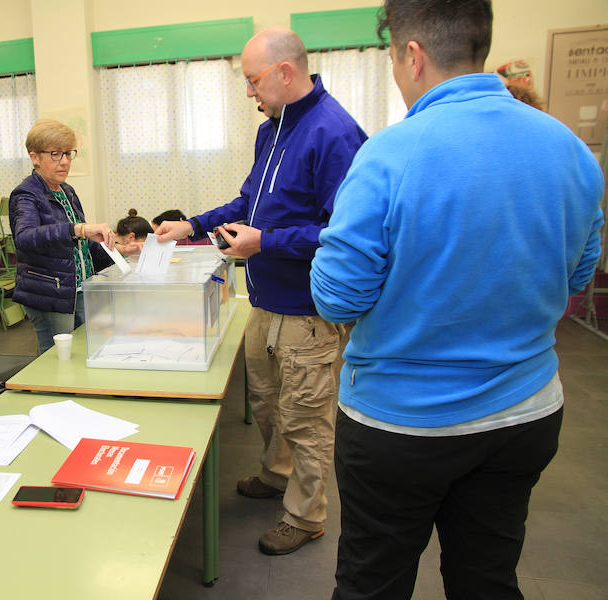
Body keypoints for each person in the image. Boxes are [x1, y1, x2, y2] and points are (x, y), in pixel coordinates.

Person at [308, 1, 604, 598]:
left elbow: (337, 298)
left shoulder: (390, 154)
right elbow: (578, 278)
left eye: (393, 59)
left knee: (374, 580)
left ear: (412, 55)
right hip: (523, 413)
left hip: (402, 423)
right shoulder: (568, 147)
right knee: (487, 576)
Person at [156, 28, 367, 555]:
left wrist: (265, 242)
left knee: (307, 416)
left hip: (309, 307)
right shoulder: (271, 129)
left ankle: (306, 513)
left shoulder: (334, 132)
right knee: (270, 401)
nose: (249, 92)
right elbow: (249, 202)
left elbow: (344, 232)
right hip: (265, 298)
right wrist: (193, 225)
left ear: (285, 73)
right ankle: (277, 475)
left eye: (252, 80)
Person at [9, 118, 116, 354]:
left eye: (68, 153)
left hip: (75, 287)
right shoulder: (26, 194)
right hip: (49, 290)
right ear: (34, 157)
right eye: (55, 154)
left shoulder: (67, 190)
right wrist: (78, 229)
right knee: (57, 359)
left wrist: (119, 251)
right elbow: (25, 237)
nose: (65, 161)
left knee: (82, 352)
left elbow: (81, 244)